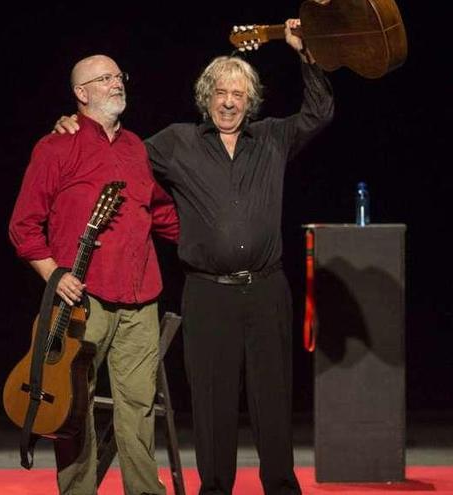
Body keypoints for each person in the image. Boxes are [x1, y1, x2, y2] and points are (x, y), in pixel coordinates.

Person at [55, 18, 333, 494]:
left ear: (251, 102)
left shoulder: (271, 139)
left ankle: (282, 487)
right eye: (220, 92)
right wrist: (73, 123)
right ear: (206, 97)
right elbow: (117, 153)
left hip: (267, 290)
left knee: (273, 401)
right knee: (211, 404)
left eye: (239, 95)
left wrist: (305, 53)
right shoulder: (176, 143)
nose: (229, 101)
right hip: (208, 295)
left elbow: (319, 113)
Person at [9, 54, 178, 495]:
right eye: (103, 79)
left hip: (141, 298)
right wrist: (53, 274)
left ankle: (144, 490)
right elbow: (23, 226)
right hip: (84, 300)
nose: (115, 84)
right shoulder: (55, 147)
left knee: (139, 407)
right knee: (73, 407)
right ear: (81, 94)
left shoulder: (136, 148)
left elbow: (160, 213)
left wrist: (216, 240)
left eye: (118, 76)